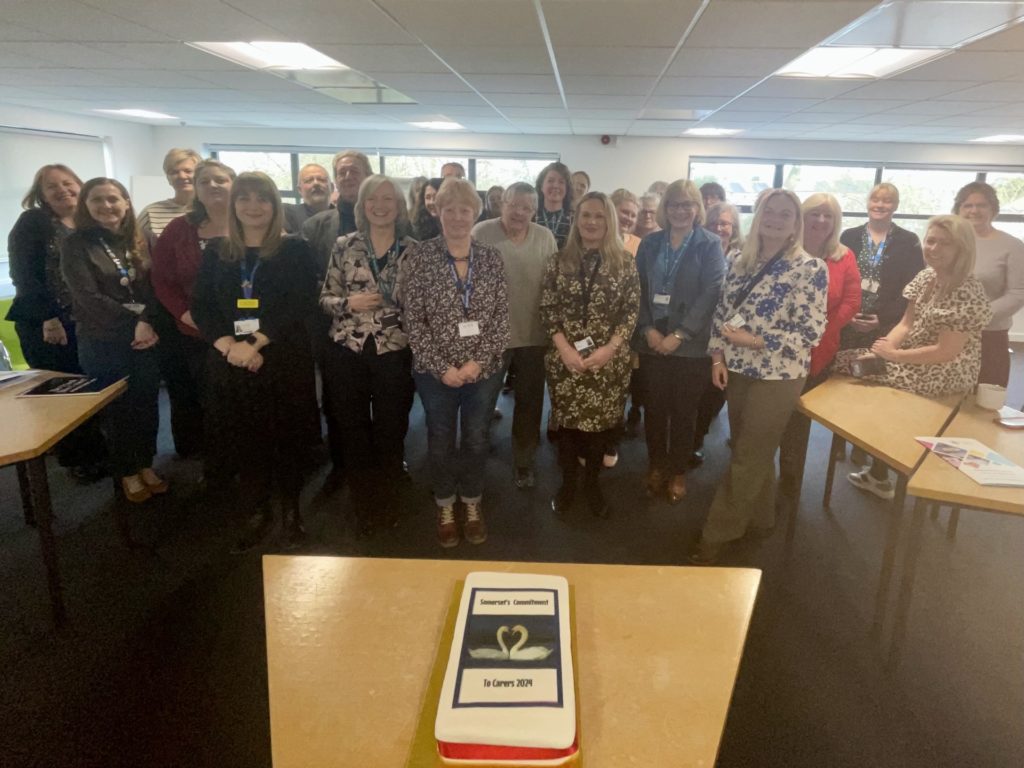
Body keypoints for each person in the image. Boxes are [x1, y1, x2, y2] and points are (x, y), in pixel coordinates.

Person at [692, 189, 828, 564]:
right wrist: (717, 356)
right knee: (752, 447)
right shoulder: (738, 258)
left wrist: (754, 340)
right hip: (736, 369)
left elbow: (809, 334)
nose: (776, 218)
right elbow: (722, 312)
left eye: (786, 214)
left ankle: (716, 533)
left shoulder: (810, 268)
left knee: (748, 453)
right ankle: (762, 518)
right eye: (770, 211)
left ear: (795, 222)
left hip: (779, 376)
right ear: (759, 214)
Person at [191, 172, 320, 551]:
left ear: (274, 205)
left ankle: (292, 512)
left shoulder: (294, 249)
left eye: (262, 199)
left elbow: (300, 303)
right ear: (233, 205)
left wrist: (256, 343)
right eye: (244, 198)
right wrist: (229, 345)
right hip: (231, 359)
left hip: (282, 357)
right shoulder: (216, 251)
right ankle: (257, 510)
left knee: (287, 437)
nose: (253, 206)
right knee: (245, 439)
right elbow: (201, 305)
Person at [836, 215, 992, 499]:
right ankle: (878, 464)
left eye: (945, 243)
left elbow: (946, 351)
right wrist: (880, 350)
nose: (934, 248)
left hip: (946, 368)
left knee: (872, 378)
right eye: (931, 240)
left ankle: (890, 466)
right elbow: (906, 325)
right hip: (911, 354)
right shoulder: (925, 277)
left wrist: (893, 356)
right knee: (850, 359)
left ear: (963, 249)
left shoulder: (968, 290)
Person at [402, 178, 509, 548]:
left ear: (475, 213)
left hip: (483, 369)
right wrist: (441, 367)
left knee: (477, 437)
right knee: (440, 437)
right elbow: (413, 321)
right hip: (435, 372)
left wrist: (476, 363)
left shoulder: (492, 258)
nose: (458, 217)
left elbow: (500, 319)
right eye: (450, 209)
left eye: (466, 210)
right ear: (438, 212)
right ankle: (446, 503)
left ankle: (473, 501)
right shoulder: (420, 257)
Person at [319, 175, 416, 536]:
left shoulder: (413, 249)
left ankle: (389, 499)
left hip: (394, 349)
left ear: (399, 205)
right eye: (372, 199)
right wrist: (349, 303)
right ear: (362, 206)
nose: (380, 205)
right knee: (354, 431)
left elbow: (423, 304)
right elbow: (325, 298)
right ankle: (363, 503)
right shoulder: (344, 246)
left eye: (388, 198)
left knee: (392, 430)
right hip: (348, 349)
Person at [61, 178, 164, 503]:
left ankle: (146, 464)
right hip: (103, 339)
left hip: (145, 335)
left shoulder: (140, 237)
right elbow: (87, 296)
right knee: (118, 410)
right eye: (98, 200)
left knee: (146, 404)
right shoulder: (76, 244)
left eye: (113, 199)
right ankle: (127, 472)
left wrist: (146, 321)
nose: (107, 206)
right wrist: (134, 322)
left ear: (126, 203)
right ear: (86, 206)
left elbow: (152, 286)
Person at [542, 192, 640, 518]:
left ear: (609, 220)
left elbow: (630, 312)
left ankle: (592, 484)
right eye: (586, 215)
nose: (592, 222)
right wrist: (566, 350)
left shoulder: (625, 262)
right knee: (568, 429)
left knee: (600, 431)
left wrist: (609, 350)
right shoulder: (559, 261)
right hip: (566, 360)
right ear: (576, 219)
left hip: (608, 362)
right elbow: (548, 309)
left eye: (599, 216)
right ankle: (569, 484)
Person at [5, 164, 106, 481]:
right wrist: (48, 318)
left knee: (88, 386)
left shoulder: (89, 223)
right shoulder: (33, 223)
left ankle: (97, 452)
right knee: (64, 393)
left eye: (68, 182)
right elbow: (23, 274)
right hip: (48, 323)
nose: (62, 190)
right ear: (41, 195)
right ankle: (76, 460)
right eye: (52, 187)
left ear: (80, 184)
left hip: (85, 320)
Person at [633, 180, 725, 504]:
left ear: (697, 208)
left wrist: (681, 334)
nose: (681, 210)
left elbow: (711, 293)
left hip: (691, 346)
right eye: (674, 204)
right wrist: (647, 329)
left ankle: (678, 470)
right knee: (654, 410)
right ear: (665, 208)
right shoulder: (650, 243)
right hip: (652, 342)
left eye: (688, 204)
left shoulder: (709, 244)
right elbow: (639, 290)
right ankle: (657, 465)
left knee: (685, 412)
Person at [472, 182, 558, 490]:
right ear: (501, 204)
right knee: (482, 399)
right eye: (513, 204)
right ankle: (475, 455)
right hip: (491, 337)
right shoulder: (480, 233)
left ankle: (524, 460)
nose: (519, 212)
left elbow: (554, 285)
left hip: (534, 336)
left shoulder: (545, 237)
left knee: (530, 404)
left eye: (526, 207)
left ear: (534, 211)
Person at [151, 159, 236, 463]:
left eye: (220, 180)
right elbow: (161, 280)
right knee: (207, 400)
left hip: (244, 333)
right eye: (205, 182)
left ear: (233, 184)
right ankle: (216, 464)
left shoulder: (250, 222)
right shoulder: (179, 229)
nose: (213, 186)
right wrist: (185, 314)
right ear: (196, 190)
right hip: (195, 332)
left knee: (244, 401)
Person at [778, 193, 861, 492]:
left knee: (799, 415)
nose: (821, 221)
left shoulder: (844, 256)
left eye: (828, 216)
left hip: (820, 349)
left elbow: (851, 301)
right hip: (778, 347)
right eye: (815, 214)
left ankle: (790, 474)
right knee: (772, 411)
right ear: (803, 216)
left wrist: (819, 330)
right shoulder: (783, 251)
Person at [952, 181, 1024, 387]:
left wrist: (974, 316)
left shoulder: (1012, 246)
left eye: (981, 205)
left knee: (985, 398)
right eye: (967, 205)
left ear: (993, 209)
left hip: (989, 336)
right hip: (946, 331)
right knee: (945, 397)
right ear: (959, 210)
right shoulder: (948, 241)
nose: (974, 210)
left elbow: (1018, 293)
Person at [692, 201, 747, 462]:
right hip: (698, 332)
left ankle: (698, 435)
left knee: (715, 396)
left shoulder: (745, 257)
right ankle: (691, 441)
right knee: (696, 393)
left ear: (734, 227)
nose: (719, 228)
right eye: (714, 223)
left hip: (728, 338)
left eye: (724, 223)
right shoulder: (698, 251)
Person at [302, 150, 373, 275]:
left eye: (354, 171)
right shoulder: (315, 226)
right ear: (336, 181)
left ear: (369, 177)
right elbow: (307, 280)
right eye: (342, 173)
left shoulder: (391, 221)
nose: (348, 176)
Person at [137, 148, 202, 242]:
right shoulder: (150, 212)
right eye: (174, 172)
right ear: (168, 178)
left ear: (199, 175)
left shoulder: (211, 210)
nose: (181, 176)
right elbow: (134, 245)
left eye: (188, 171)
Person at [283, 163, 332, 234]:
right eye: (309, 180)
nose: (316, 183)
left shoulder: (343, 217)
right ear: (300, 190)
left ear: (332, 187)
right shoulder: (287, 214)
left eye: (321, 179)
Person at [535, 162, 574, 249]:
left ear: (567, 188)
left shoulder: (575, 218)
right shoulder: (531, 216)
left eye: (561, 182)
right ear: (541, 186)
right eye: (550, 181)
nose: (556, 186)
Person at [610, 188, 642, 257]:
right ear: (611, 210)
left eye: (633, 216)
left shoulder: (639, 244)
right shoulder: (595, 238)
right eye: (625, 212)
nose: (629, 218)